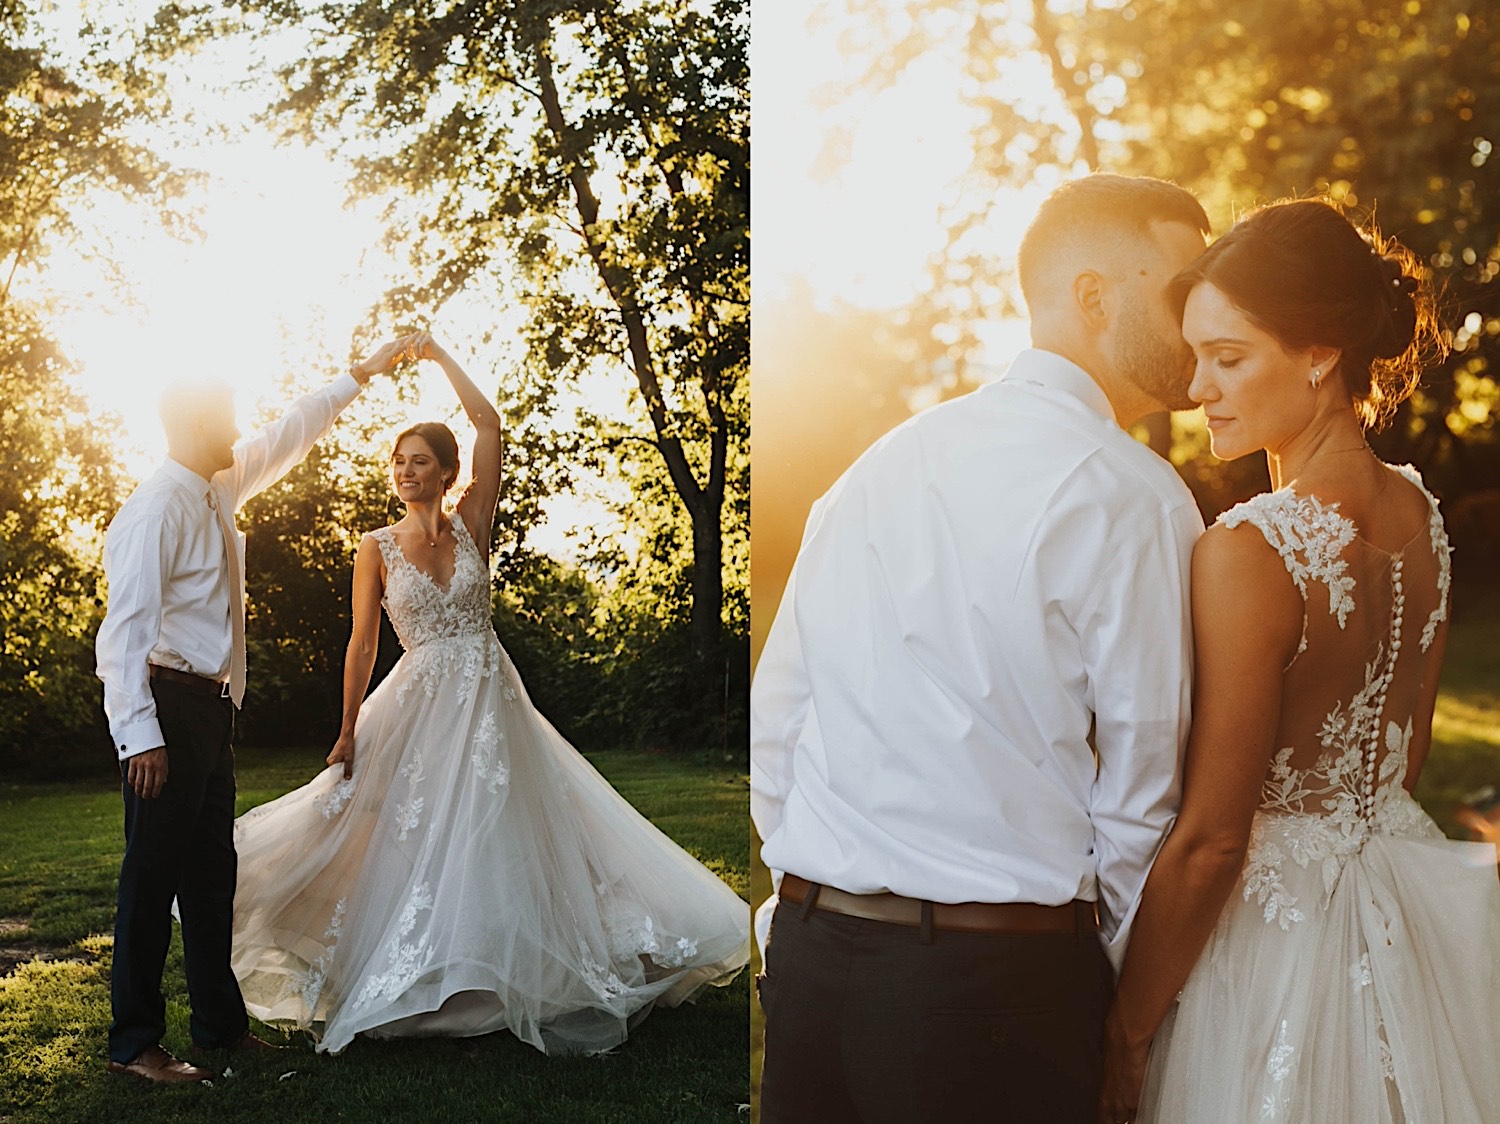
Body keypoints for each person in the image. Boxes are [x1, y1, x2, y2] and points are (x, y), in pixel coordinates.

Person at [751, 174, 1210, 1124]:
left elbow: (779, 710)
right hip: (998, 994)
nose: (1202, 314)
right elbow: (1143, 792)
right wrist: (1112, 994)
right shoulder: (1134, 494)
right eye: (1180, 287)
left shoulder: (876, 466)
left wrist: (789, 905)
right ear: (1093, 297)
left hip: (809, 969)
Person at [225, 332, 750, 1055]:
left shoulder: (473, 523)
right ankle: (427, 971)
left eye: (421, 463)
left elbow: (490, 425)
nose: (407, 473)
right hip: (419, 699)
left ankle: (505, 976)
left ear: (446, 473)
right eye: (399, 463)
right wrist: (347, 728)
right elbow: (363, 644)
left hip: (490, 694)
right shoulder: (375, 547)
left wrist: (438, 354)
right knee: (414, 830)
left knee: (498, 826)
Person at [1098, 198, 1500, 1124]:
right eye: (1197, 356)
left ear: (1320, 355)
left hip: (1268, 952)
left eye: (1228, 358)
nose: (1198, 386)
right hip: (1405, 910)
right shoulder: (1420, 517)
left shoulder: (1247, 550)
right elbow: (1413, 752)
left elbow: (1212, 842)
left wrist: (1125, 1033)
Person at [96, 336, 414, 1082]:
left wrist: (359, 376)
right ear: (189, 423)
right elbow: (123, 639)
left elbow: (291, 433)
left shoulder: (217, 485)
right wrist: (141, 738)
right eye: (226, 418)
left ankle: (220, 1030)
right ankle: (134, 1045)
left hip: (210, 716)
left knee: (213, 881)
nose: (239, 431)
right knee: (150, 882)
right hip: (166, 713)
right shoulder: (156, 511)